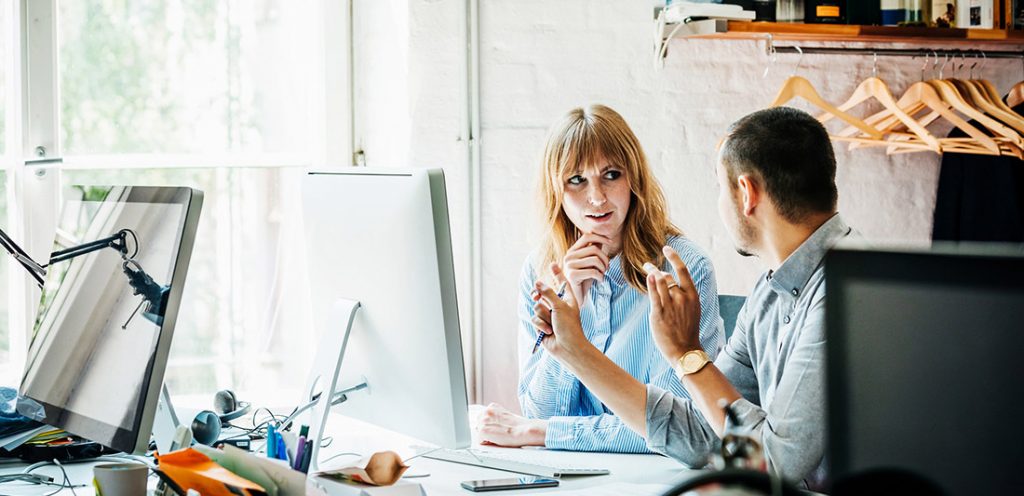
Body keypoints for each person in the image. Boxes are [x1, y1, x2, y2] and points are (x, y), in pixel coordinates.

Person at [530, 107, 854, 487]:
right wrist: (575, 350)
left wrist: (688, 355)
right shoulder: (769, 292)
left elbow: (775, 466)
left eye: (720, 186)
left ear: (746, 194)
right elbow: (706, 435)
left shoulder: (841, 296)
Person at [476, 104, 725, 453]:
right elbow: (538, 410)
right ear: (556, 191)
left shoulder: (684, 269)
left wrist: (543, 432)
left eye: (611, 175)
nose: (597, 197)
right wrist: (570, 310)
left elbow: (678, 430)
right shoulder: (540, 269)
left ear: (633, 178)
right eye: (576, 180)